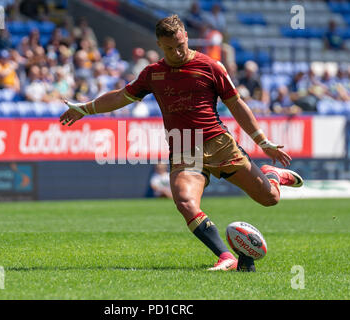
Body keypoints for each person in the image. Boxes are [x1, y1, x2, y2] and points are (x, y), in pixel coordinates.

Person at [59, 15, 303, 272]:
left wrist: (262, 141)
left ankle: (272, 175)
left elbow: (237, 105)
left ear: (185, 36)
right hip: (185, 147)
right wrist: (84, 109)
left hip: (219, 144)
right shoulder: (153, 73)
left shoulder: (211, 66)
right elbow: (122, 96)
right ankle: (225, 256)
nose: (176, 52)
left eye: (180, 45)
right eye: (169, 48)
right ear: (159, 45)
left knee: (270, 198)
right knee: (185, 202)